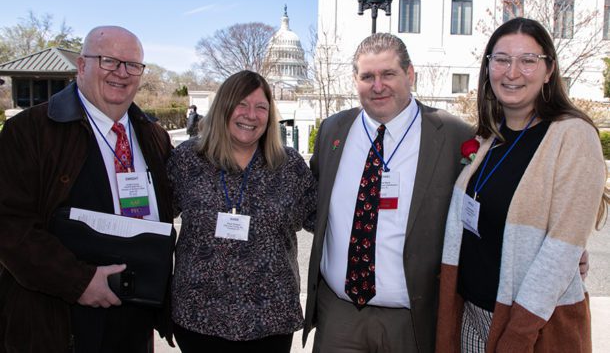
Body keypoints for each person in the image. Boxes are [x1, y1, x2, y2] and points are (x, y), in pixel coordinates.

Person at [435, 17, 609, 353]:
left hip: (532, 327)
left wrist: (517, 337)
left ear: (549, 70)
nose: (512, 72)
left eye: (528, 60)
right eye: (501, 59)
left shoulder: (573, 136)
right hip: (472, 315)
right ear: (488, 68)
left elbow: (560, 252)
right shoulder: (490, 136)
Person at [0, 26, 174, 353]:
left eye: (132, 65)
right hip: (58, 319)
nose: (122, 73)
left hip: (135, 317)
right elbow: (10, 226)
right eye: (109, 61)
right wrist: (78, 282)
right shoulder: (30, 132)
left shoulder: (153, 136)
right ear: (82, 66)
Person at [303, 33, 473, 353]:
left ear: (410, 75)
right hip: (340, 315)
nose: (378, 86)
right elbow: (311, 200)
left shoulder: (454, 136)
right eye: (367, 76)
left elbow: (487, 201)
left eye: (388, 74)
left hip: (412, 320)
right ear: (355, 80)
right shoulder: (333, 130)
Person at [167, 70, 317, 353]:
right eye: (242, 104)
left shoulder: (290, 167)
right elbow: (157, 213)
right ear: (224, 106)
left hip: (270, 319)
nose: (251, 115)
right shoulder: (187, 160)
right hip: (199, 316)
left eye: (261, 107)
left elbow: (320, 218)